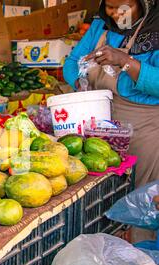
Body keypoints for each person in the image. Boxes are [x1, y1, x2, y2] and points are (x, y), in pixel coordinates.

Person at [63, 0, 159, 187]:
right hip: (99, 126)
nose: (116, 14)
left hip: (143, 129)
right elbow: (72, 61)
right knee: (101, 190)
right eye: (111, 7)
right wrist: (80, 83)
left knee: (136, 190)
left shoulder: (155, 28)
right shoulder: (101, 25)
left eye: (124, 7)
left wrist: (125, 61)